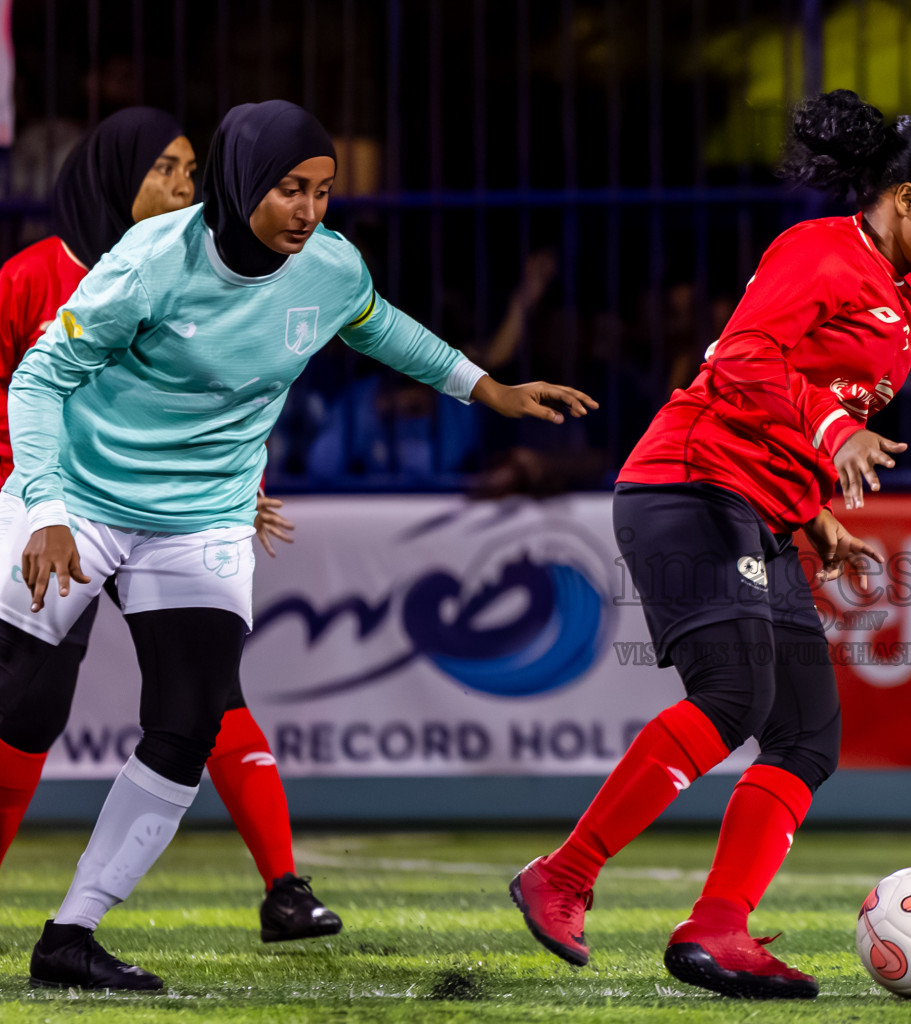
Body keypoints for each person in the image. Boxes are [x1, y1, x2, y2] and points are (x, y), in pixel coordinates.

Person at [1, 100, 596, 990]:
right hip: (81, 498)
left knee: (190, 719)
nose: (310, 211)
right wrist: (44, 506)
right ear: (245, 183)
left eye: (323, 192)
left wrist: (489, 390)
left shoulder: (325, 267)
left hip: (203, 514)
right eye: (290, 190)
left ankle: (71, 934)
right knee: (12, 696)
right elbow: (41, 377)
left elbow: (381, 327)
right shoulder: (150, 261)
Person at [509, 88, 911, 999]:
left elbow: (793, 394)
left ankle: (718, 931)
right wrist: (830, 438)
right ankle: (563, 876)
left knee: (807, 735)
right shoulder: (820, 251)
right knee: (733, 695)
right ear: (903, 201)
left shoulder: (896, 293)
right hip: (685, 487)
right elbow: (737, 362)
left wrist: (813, 513)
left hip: (756, 511)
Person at [0, 106, 344, 947]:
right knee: (26, 706)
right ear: (116, 175)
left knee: (211, 695)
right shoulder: (34, 275)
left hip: (169, 515)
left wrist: (238, 485)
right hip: (57, 515)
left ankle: (285, 887)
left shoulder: (198, 272)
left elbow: (224, 394)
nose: (184, 185)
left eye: (192, 170)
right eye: (165, 168)